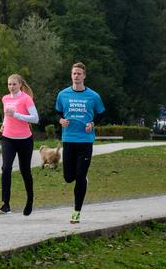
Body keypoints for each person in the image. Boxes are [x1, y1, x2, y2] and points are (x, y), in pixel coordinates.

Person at [57, 62, 106, 224]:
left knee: (79, 176)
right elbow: (57, 113)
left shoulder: (93, 96)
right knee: (68, 177)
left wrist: (92, 123)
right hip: (68, 140)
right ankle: (83, 178)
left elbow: (101, 114)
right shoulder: (63, 94)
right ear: (71, 76)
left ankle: (76, 212)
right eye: (74, 74)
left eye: (79, 74)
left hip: (85, 141)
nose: (76, 76)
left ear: (84, 76)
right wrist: (61, 120)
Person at [0, 74, 39, 216]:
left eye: (14, 84)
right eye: (9, 84)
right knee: (6, 168)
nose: (11, 87)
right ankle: (6, 204)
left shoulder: (26, 99)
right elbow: (6, 115)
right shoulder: (5, 98)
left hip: (24, 139)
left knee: (25, 170)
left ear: (20, 85)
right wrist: (4, 125)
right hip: (8, 138)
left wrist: (16, 115)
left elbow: (35, 119)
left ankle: (29, 201)